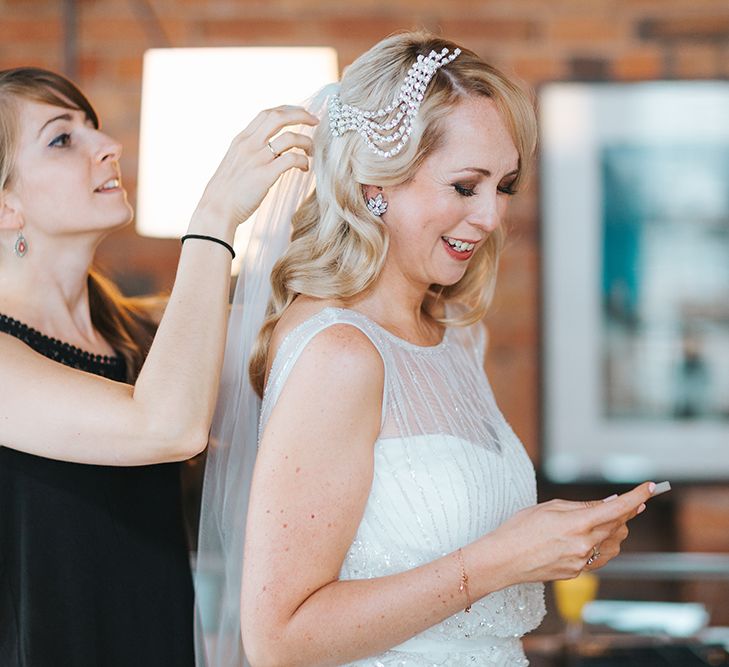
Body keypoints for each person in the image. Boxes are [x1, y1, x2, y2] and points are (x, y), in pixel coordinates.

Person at [196, 33, 656, 667]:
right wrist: (499, 561)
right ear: (374, 183)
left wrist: (555, 543)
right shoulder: (340, 354)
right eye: (466, 187)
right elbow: (279, 639)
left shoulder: (454, 336)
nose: (492, 218)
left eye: (505, 186)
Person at [0, 66, 316, 667]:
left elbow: (294, 340)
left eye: (93, 127)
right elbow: (166, 426)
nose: (107, 146)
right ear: (6, 206)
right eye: (62, 138)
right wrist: (216, 214)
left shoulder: (144, 334)